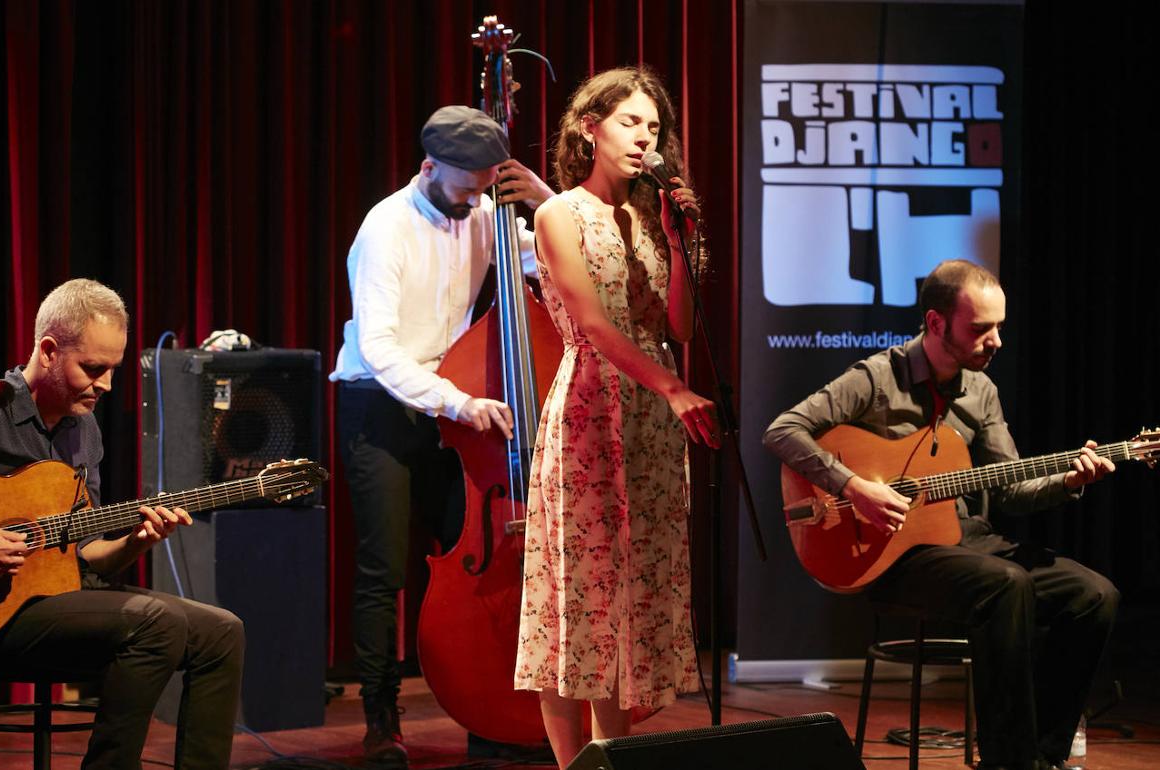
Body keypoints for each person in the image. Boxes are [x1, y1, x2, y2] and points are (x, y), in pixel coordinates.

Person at [762, 259, 1119, 770]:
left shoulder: (982, 391)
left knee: (1094, 596)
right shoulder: (876, 378)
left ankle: (1042, 754)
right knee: (1006, 585)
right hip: (894, 555)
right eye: (980, 329)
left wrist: (1068, 481)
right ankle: (1008, 762)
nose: (995, 341)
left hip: (966, 539)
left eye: (999, 327)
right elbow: (782, 431)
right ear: (935, 323)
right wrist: (855, 487)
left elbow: (1010, 489)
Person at [0, 278, 244, 770]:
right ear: (49, 351)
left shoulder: (84, 430)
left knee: (222, 632)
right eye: (92, 368)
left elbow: (87, 556)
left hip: (62, 603)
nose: (106, 385)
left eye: (112, 370)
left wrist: (136, 541)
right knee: (156, 623)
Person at [328, 105, 554, 767]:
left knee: (475, 559)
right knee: (384, 568)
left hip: (454, 405)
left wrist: (545, 203)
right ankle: (381, 718)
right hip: (382, 405)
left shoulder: (484, 213)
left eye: (485, 189)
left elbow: (554, 262)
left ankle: (490, 710)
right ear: (428, 168)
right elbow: (379, 349)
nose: (476, 202)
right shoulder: (385, 229)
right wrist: (458, 400)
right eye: (465, 188)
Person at [512, 66, 720, 768]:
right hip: (591, 411)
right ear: (589, 128)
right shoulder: (558, 214)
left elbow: (679, 326)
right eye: (630, 122)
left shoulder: (654, 219)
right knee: (579, 599)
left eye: (654, 128)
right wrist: (674, 389)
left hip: (651, 422)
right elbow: (596, 326)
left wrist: (679, 240)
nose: (644, 138)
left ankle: (613, 760)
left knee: (630, 599)